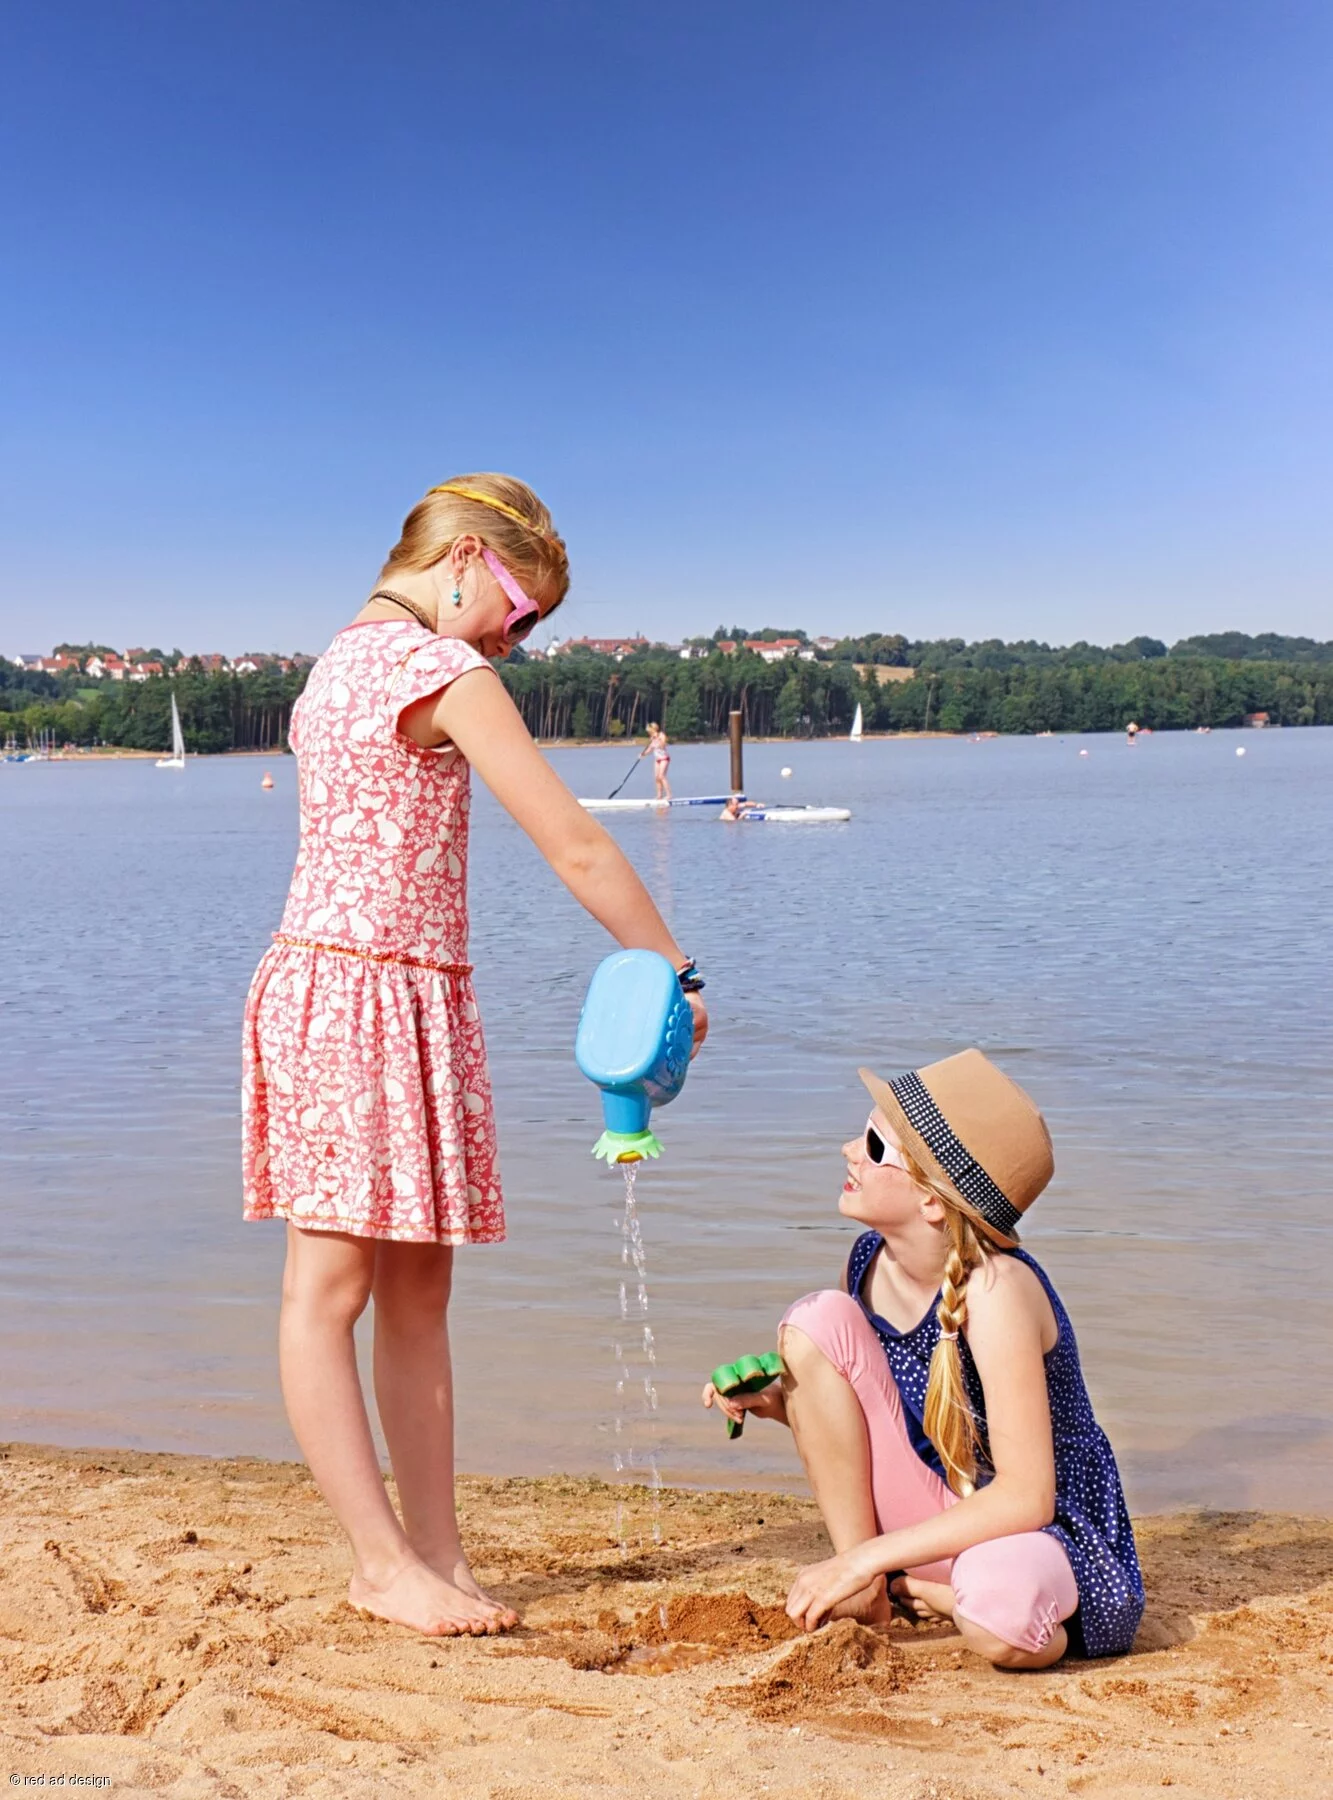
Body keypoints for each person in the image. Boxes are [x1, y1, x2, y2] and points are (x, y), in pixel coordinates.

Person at [243, 473, 708, 1641]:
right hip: (364, 995)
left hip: (361, 990)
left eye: (532, 622)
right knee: (333, 1291)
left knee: (410, 1290)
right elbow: (575, 843)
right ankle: (380, 1561)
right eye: (518, 606)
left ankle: (433, 1553)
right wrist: (674, 971)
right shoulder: (442, 669)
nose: (519, 635)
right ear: (459, 557)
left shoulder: (336, 660)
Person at [702, 1050, 1143, 1668]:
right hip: (948, 1513)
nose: (848, 1150)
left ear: (933, 1202)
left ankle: (926, 1588)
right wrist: (780, 1402)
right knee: (813, 1322)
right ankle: (872, 1596)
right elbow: (885, 1423)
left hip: (1043, 1540)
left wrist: (864, 1556)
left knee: (1000, 1617)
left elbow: (1026, 1498)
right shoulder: (868, 1262)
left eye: (876, 1146)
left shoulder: (997, 1292)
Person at [641, 721, 671, 801]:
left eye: (649, 731)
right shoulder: (651, 738)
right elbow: (650, 749)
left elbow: (663, 746)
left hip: (664, 758)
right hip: (657, 759)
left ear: (653, 729)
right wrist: (643, 754)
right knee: (657, 778)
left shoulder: (661, 735)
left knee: (662, 776)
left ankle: (669, 795)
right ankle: (659, 795)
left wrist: (657, 738)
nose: (648, 733)